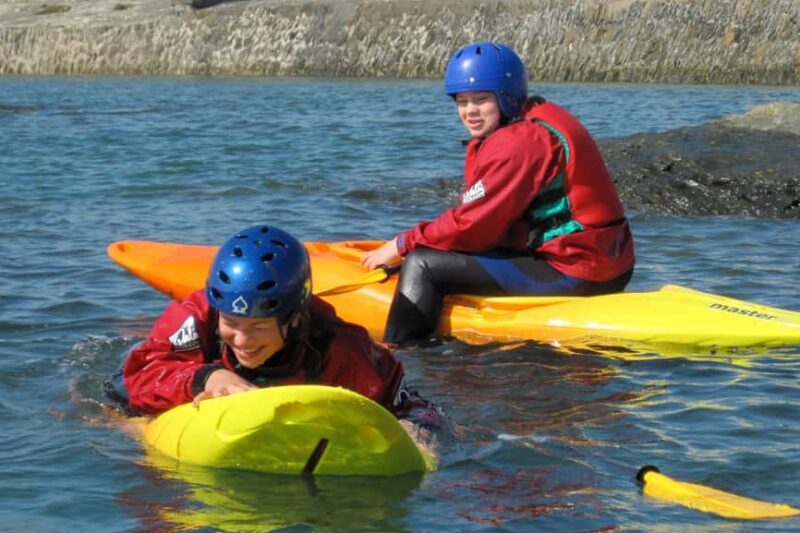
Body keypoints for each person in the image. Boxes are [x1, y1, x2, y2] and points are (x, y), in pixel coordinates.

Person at [362, 41, 635, 343]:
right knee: (439, 248)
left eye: (481, 99)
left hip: (578, 271)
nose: (470, 111)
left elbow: (471, 228)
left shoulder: (518, 144)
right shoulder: (536, 118)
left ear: (506, 97)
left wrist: (403, 244)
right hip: (608, 262)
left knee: (422, 263)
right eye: (462, 101)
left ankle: (400, 359)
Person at [108, 224, 440, 430]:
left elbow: (410, 403)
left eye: (258, 326)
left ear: (293, 319)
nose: (241, 340)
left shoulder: (337, 344)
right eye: (231, 323)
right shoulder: (196, 316)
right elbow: (138, 376)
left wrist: (415, 429)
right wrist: (205, 377)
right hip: (162, 383)